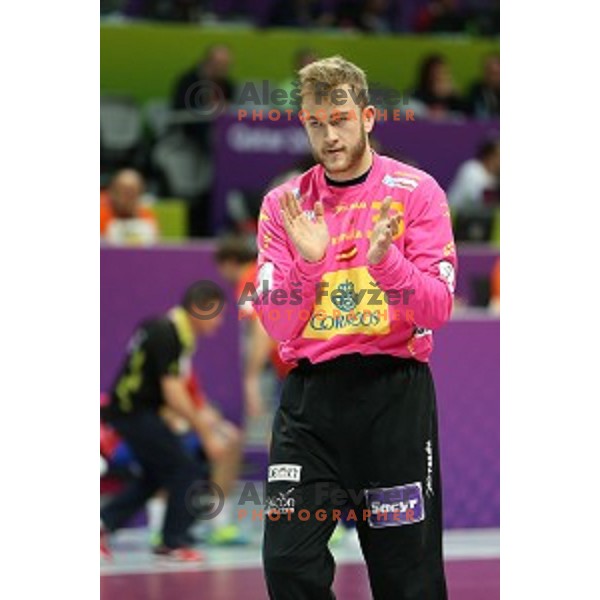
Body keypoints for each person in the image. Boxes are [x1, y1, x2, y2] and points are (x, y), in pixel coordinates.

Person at [256, 56, 455, 599]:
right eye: (315, 122)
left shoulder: (417, 192)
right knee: (287, 563)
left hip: (392, 400)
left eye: (339, 118)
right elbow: (276, 322)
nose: (329, 134)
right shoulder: (284, 205)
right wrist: (310, 262)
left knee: (405, 576)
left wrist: (387, 260)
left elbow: (437, 310)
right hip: (311, 405)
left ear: (367, 116)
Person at [100, 282, 242, 562]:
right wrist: (207, 435)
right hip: (132, 414)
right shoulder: (168, 333)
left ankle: (102, 524)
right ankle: (172, 542)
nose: (221, 322)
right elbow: (174, 393)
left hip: (136, 412)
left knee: (156, 475)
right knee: (184, 469)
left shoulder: (171, 331)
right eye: (218, 314)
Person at [100, 169, 158, 245]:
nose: (128, 198)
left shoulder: (147, 217)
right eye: (124, 192)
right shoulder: (101, 216)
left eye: (132, 192)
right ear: (113, 192)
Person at [447, 138, 500, 210]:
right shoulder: (472, 169)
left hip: (475, 218)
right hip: (454, 216)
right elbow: (479, 200)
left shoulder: (494, 177)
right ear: (490, 156)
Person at [410, 54, 466, 119]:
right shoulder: (415, 96)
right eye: (435, 73)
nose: (439, 77)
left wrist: (456, 96)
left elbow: (466, 117)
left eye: (443, 73)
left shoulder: (454, 99)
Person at [467, 54, 500, 118]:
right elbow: (468, 112)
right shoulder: (476, 90)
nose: (491, 78)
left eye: (494, 73)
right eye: (488, 72)